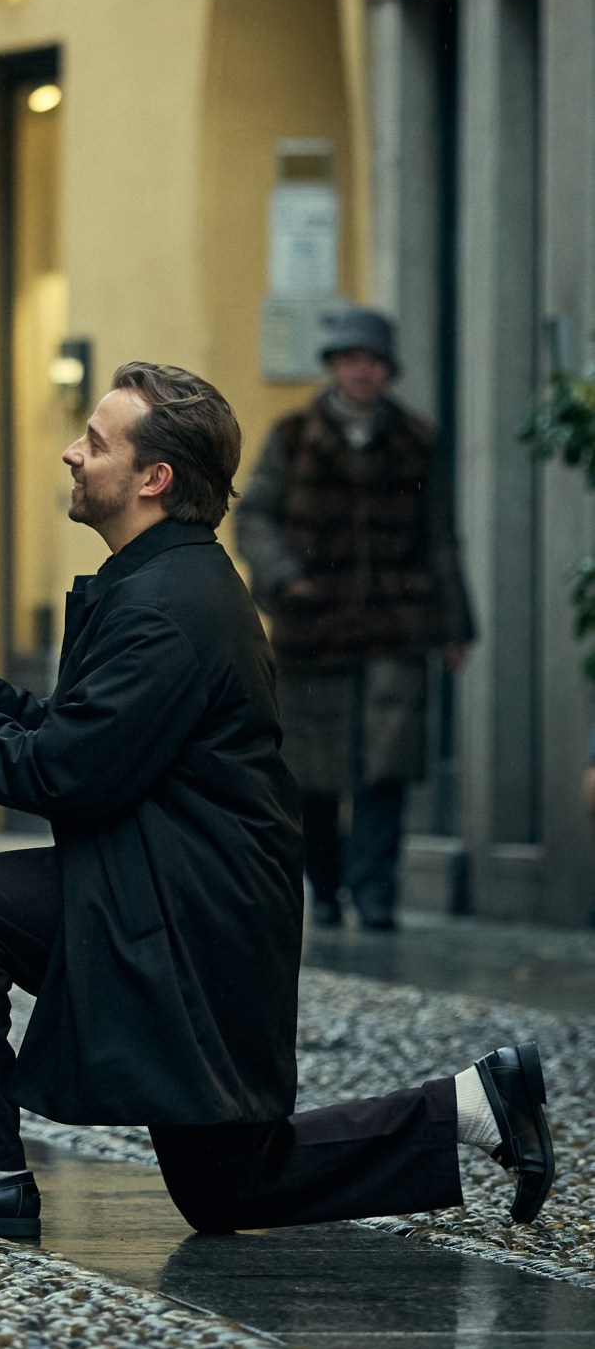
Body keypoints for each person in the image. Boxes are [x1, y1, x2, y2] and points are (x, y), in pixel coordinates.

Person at [0, 363, 553, 1242]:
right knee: (228, 1187)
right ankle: (471, 1107)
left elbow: (70, 776)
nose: (71, 453)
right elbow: (99, 741)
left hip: (186, 910)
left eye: (95, 443)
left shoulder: (168, 604)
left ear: (154, 479)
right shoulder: (165, 581)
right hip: (175, 890)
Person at [236, 307, 475, 930]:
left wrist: (454, 625)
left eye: (371, 360)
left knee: (386, 771)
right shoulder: (292, 436)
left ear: (387, 368)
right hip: (314, 627)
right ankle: (329, 884)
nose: (360, 370)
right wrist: (286, 576)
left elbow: (441, 535)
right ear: (334, 367)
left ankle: (375, 897)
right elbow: (254, 516)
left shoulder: (418, 440)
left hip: (397, 627)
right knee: (313, 776)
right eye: (349, 359)